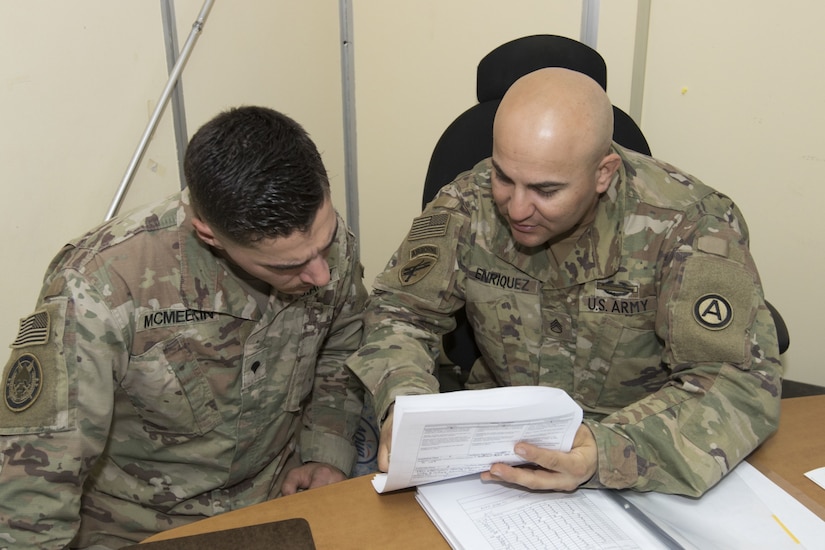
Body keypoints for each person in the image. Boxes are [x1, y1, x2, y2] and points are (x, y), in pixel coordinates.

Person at [346, 67, 782, 498]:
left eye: (545, 190)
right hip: (493, 457)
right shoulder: (467, 203)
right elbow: (400, 313)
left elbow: (736, 381)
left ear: (603, 173)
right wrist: (407, 408)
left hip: (641, 452)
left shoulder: (689, 225)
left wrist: (607, 452)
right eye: (503, 176)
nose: (516, 208)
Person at [0, 106, 368, 549]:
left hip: (278, 504)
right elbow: (37, 478)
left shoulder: (316, 242)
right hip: (142, 527)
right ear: (210, 235)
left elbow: (342, 346)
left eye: (324, 245)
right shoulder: (100, 286)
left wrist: (326, 452)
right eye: (288, 266)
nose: (321, 275)